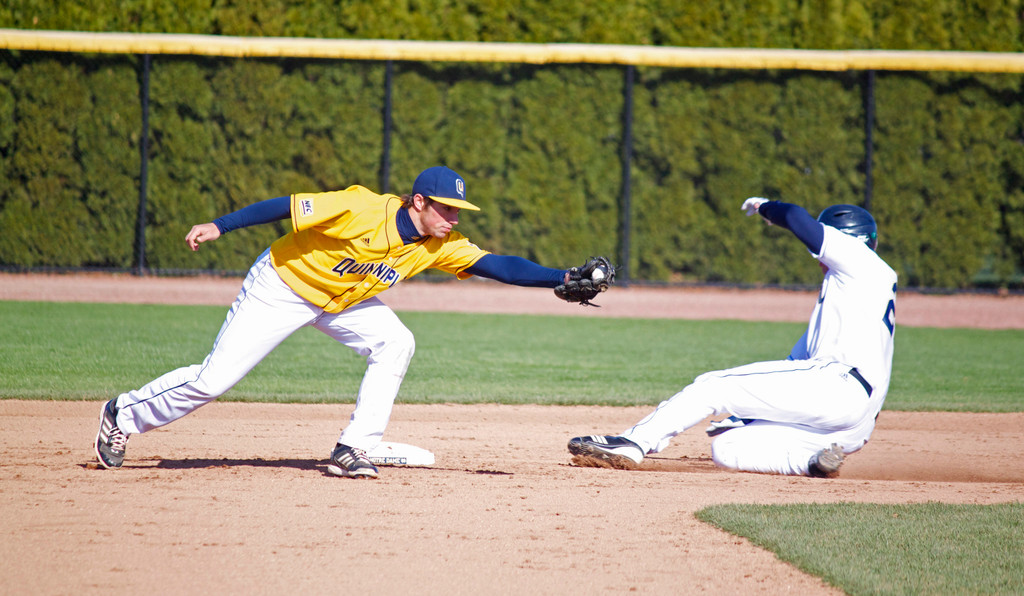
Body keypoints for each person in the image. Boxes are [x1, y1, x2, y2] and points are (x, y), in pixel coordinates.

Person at [95, 166, 612, 479]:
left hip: (341, 300)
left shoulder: (441, 245)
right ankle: (122, 414)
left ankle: (354, 448)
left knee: (396, 341)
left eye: (459, 210)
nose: (455, 218)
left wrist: (561, 276)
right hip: (283, 285)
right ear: (419, 202)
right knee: (214, 379)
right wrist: (220, 225)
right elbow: (287, 206)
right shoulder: (360, 208)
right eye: (447, 209)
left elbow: (498, 266)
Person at [568, 198, 897, 477]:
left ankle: (635, 442)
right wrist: (748, 413)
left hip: (837, 385)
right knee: (727, 448)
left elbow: (798, 219)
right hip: (855, 427)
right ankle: (811, 465)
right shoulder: (858, 294)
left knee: (713, 385)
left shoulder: (860, 259)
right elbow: (794, 369)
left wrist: (767, 207)